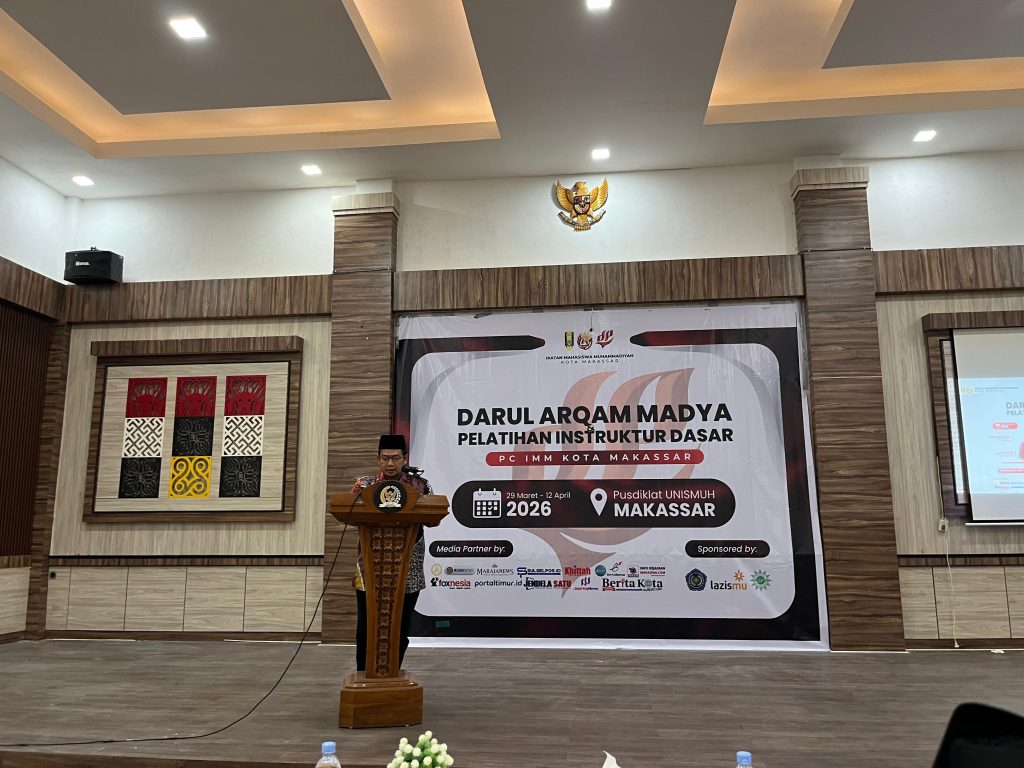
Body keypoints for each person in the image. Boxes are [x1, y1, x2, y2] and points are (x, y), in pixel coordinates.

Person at [351, 433, 432, 673]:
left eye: (395, 458)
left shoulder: (420, 485)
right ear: (378, 459)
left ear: (405, 459)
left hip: (408, 567)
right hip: (370, 566)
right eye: (385, 458)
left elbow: (433, 519)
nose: (390, 463)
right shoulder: (364, 486)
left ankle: (392, 673)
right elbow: (350, 514)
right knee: (367, 627)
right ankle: (365, 675)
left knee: (399, 625)